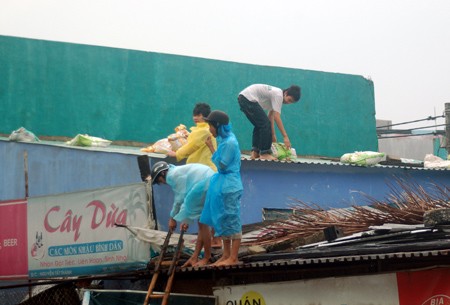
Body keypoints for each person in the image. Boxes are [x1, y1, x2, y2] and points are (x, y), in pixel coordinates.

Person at [150, 161, 215, 267]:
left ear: (162, 173)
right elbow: (184, 197)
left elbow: (179, 198)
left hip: (205, 183)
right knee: (201, 223)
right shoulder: (176, 172)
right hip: (208, 182)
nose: (162, 183)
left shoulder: (173, 175)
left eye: (159, 180)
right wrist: (185, 218)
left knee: (203, 224)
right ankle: (195, 257)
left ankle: (207, 257)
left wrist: (173, 218)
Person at [200, 110, 244, 266]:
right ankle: (226, 255)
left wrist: (211, 148)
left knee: (232, 219)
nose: (209, 129)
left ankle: (233, 257)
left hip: (230, 185)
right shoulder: (223, 139)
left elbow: (222, 165)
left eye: (210, 126)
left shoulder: (230, 142)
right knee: (224, 220)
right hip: (223, 184)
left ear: (217, 126)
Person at [238, 84, 301, 160]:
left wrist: (273, 135)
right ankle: (264, 153)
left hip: (243, 98)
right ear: (286, 93)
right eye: (289, 100)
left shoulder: (276, 97)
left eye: (291, 102)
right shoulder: (278, 95)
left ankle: (255, 152)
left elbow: (271, 116)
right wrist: (285, 137)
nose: (289, 103)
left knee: (260, 125)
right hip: (248, 98)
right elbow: (276, 117)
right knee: (264, 124)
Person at [166, 102, 217, 172]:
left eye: (198, 115)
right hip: (203, 168)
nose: (195, 118)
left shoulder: (203, 131)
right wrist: (189, 136)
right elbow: (196, 142)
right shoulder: (204, 129)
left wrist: (177, 154)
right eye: (194, 115)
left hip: (202, 169)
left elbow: (191, 146)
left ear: (206, 117)